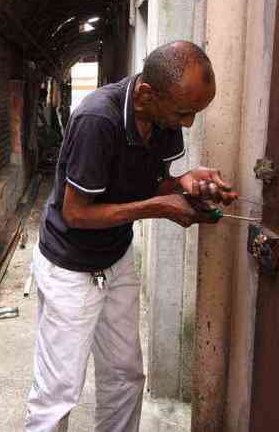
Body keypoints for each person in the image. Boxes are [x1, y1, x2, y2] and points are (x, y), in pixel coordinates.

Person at [24, 41, 238, 432]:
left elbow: (152, 181)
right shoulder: (96, 121)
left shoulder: (162, 119)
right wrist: (158, 207)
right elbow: (76, 213)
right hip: (70, 270)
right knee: (58, 393)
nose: (187, 124)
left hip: (116, 258)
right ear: (145, 95)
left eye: (194, 113)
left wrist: (186, 183)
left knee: (125, 376)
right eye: (183, 113)